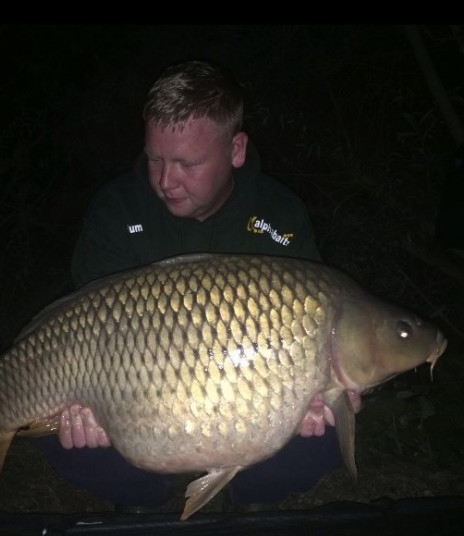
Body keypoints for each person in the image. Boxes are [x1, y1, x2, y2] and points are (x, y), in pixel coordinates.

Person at [38, 59, 342, 511]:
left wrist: (320, 395)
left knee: (327, 435)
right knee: (65, 443)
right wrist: (86, 407)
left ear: (235, 150)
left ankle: (249, 501)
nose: (165, 180)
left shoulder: (280, 214)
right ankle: (147, 503)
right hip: (136, 405)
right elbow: (84, 332)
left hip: (248, 408)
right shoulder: (116, 209)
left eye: (187, 163)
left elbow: (313, 330)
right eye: (155, 159)